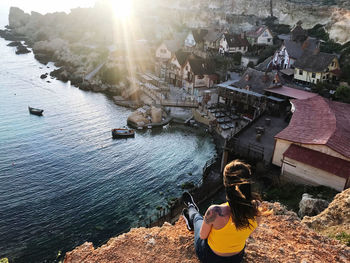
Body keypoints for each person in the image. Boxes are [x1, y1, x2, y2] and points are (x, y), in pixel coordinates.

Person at [182, 160, 269, 263]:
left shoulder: (215, 211)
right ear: (248, 182)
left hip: (210, 258)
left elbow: (203, 236)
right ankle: (192, 211)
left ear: (225, 183)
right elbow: (249, 232)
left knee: (197, 218)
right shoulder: (257, 209)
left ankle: (191, 208)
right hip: (236, 258)